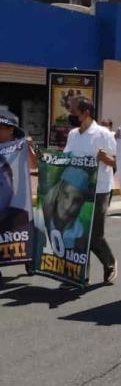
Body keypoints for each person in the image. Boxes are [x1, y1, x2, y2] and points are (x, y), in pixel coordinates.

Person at [63, 95, 118, 286]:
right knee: (78, 232)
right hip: (76, 188)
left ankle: (109, 263)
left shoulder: (103, 134)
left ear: (85, 112)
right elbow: (66, 158)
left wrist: (108, 160)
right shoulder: (73, 135)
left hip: (99, 189)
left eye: (73, 110)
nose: (70, 113)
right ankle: (80, 274)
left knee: (94, 234)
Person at [0, 110, 36, 277]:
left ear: (11, 130)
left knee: (21, 232)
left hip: (18, 202)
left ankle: (29, 260)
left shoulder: (20, 146)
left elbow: (34, 165)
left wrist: (28, 147)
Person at [41, 167, 90, 254]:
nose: (68, 206)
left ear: (81, 204)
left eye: (76, 201)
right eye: (66, 195)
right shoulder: (41, 222)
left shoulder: (81, 234)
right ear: (58, 194)